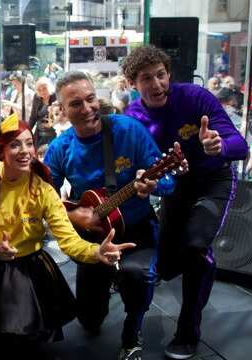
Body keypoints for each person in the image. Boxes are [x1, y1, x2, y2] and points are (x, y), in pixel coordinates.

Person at [0, 114, 133, 357]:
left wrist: (95, 251)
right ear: (0, 150)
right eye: (15, 144)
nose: (25, 150)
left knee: (27, 346)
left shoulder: (43, 190)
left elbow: (68, 239)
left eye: (29, 143)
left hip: (32, 277)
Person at [122, 45, 248, 359]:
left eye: (161, 75)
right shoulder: (133, 116)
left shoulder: (195, 97)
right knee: (164, 265)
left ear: (169, 74)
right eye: (146, 78)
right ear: (132, 84)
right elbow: (131, 166)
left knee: (195, 246)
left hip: (213, 180)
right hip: (175, 188)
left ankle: (188, 331)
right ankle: (198, 263)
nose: (156, 84)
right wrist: (140, 176)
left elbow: (240, 144)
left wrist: (218, 146)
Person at [44, 71, 179, 360]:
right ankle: (105, 285)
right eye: (76, 104)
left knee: (136, 276)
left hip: (136, 230)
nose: (87, 108)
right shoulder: (60, 148)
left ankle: (133, 331)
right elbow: (43, 199)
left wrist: (153, 184)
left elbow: (169, 183)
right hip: (93, 237)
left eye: (91, 99)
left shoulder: (128, 130)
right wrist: (73, 216)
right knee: (89, 322)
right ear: (62, 110)